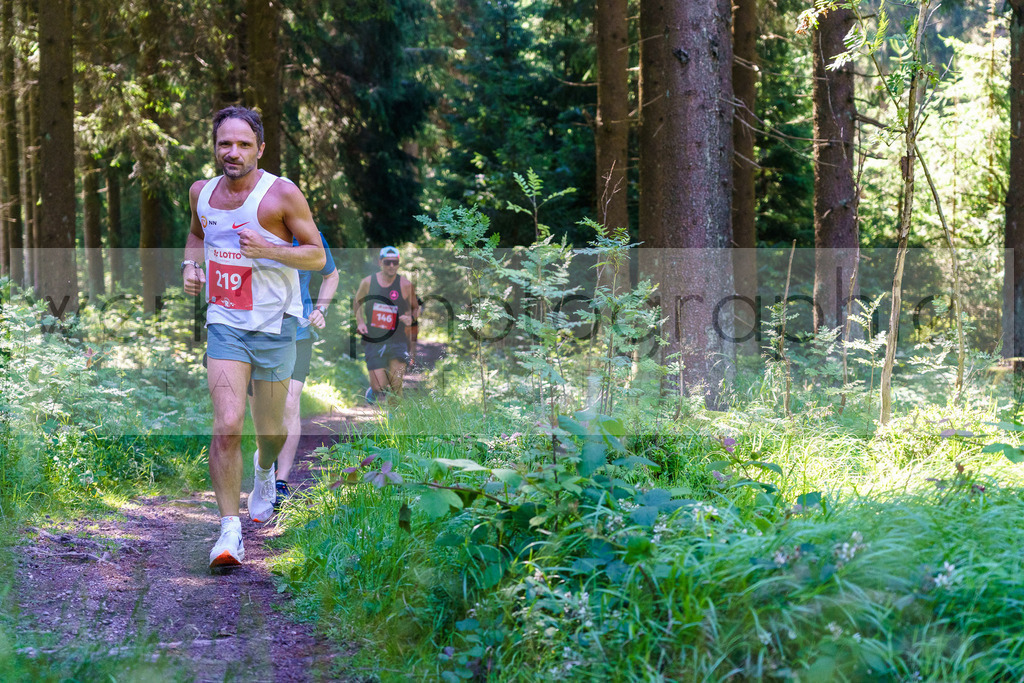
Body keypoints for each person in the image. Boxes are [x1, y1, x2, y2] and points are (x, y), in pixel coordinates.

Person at [182, 106, 325, 571]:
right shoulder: (201, 193)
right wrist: (191, 265)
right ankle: (228, 532)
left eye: (244, 144)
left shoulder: (280, 195)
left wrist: (268, 249)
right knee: (227, 423)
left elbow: (316, 257)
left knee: (270, 430)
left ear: (260, 149)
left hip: (277, 326)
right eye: (226, 143)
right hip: (225, 324)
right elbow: (193, 234)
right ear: (215, 146)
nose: (233, 151)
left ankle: (265, 470)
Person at [254, 231, 338, 508]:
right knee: (265, 412)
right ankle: (264, 469)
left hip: (298, 334)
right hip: (255, 333)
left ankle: (281, 482)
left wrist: (321, 310)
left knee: (290, 404)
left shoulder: (308, 235)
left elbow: (331, 275)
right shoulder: (250, 227)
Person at [354, 247, 419, 404]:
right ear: (380, 263)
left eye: (395, 262)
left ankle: (396, 421)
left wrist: (411, 317)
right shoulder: (368, 282)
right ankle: (375, 390)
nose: (391, 266)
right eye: (387, 262)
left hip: (398, 339)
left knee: (396, 385)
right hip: (374, 340)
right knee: (379, 385)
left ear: (398, 264)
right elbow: (357, 302)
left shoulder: (404, 285)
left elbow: (416, 307)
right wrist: (361, 322)